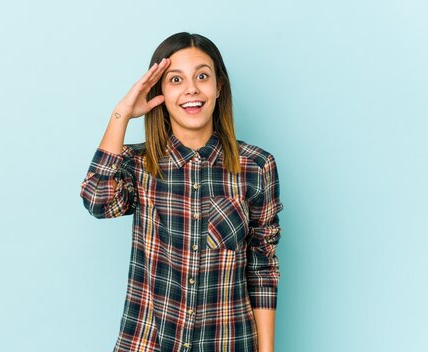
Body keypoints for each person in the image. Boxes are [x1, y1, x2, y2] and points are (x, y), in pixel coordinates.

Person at [80, 32, 283, 352]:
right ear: (159, 92)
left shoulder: (255, 166)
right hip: (149, 341)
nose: (191, 88)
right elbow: (97, 201)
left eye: (202, 76)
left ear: (219, 87)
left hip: (226, 341)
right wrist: (121, 113)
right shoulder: (139, 165)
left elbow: (262, 268)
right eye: (176, 79)